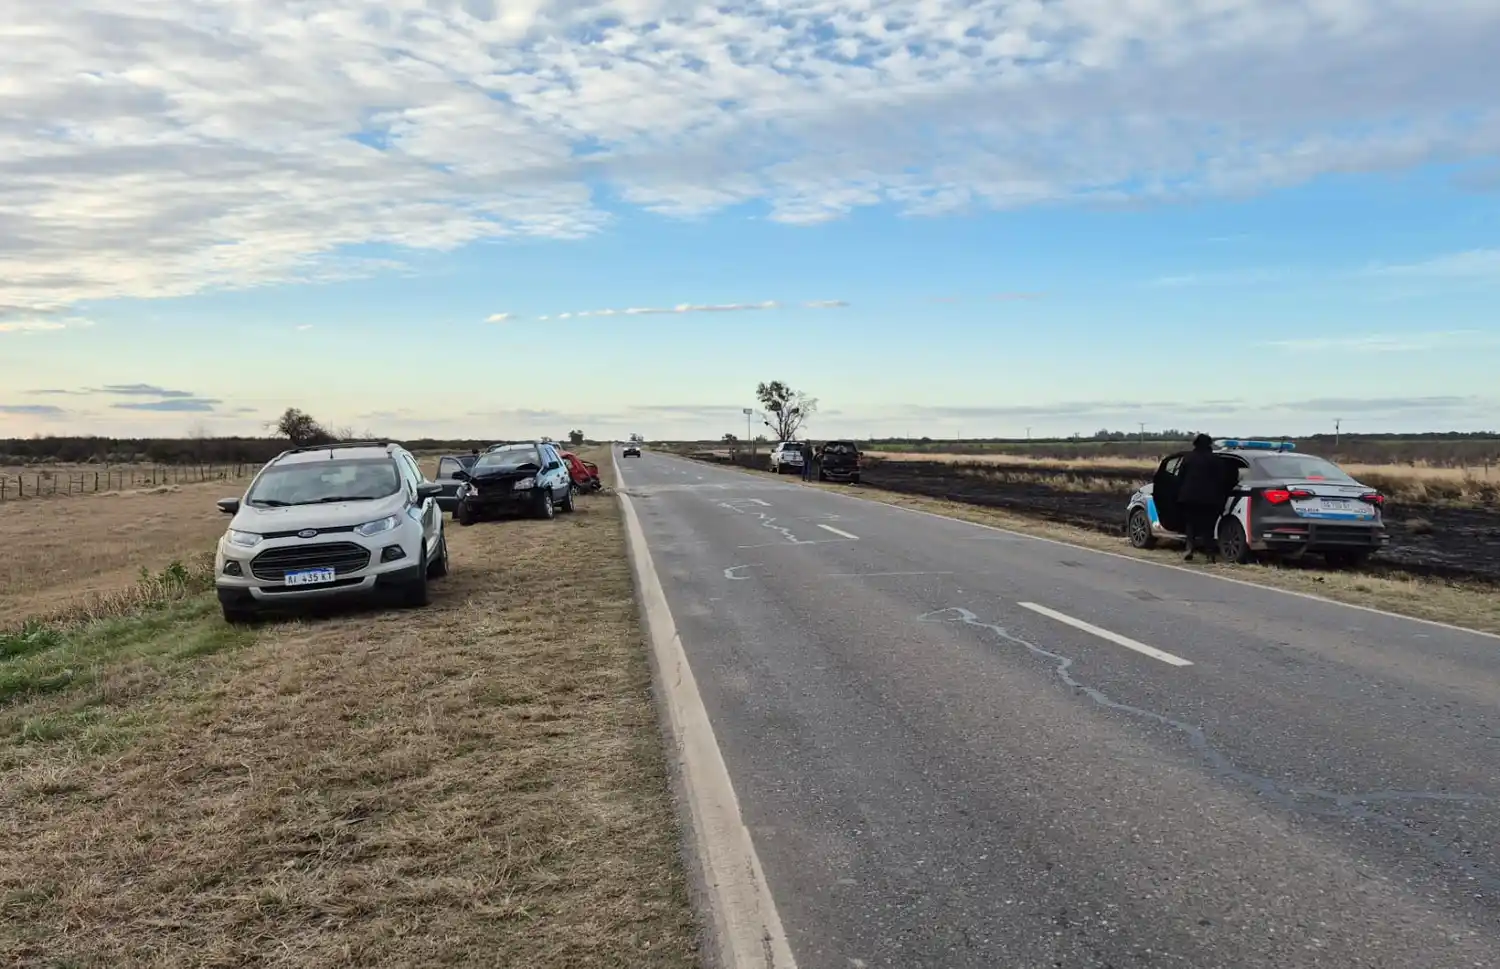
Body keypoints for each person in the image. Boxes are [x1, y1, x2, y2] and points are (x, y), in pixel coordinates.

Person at [1178, 433, 1227, 562]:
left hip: (1190, 498)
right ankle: (1210, 554)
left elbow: (1180, 478)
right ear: (1209, 444)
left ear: (1195, 444)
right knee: (1208, 527)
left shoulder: (1188, 458)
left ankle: (1189, 548)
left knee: (1191, 524)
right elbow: (1223, 479)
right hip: (1210, 499)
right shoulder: (1216, 460)